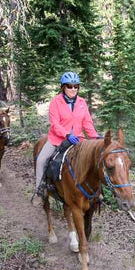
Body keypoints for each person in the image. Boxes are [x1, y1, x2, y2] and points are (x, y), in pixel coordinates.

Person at [34, 71, 99, 201]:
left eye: (76, 86)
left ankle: (95, 192)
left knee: (93, 162)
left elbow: (87, 123)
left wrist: (95, 137)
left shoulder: (81, 102)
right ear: (63, 87)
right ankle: (39, 189)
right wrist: (66, 134)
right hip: (57, 139)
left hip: (78, 141)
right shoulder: (55, 102)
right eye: (69, 86)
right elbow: (55, 124)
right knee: (41, 160)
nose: (73, 89)